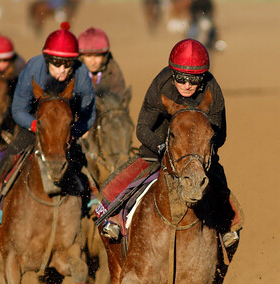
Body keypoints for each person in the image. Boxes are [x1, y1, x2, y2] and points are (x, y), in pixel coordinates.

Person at [95, 38, 241, 248]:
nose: (188, 85)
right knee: (111, 189)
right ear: (173, 75)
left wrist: (200, 151)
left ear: (203, 77)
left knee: (225, 198)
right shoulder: (161, 84)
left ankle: (226, 228)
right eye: (181, 79)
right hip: (157, 148)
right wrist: (161, 147)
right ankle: (116, 220)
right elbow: (142, 128)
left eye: (194, 79)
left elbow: (220, 133)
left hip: (198, 155)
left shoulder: (212, 89)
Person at [0, 22, 95, 215]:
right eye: (57, 63)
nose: (63, 69)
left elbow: (89, 114)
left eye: (68, 64)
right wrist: (35, 125)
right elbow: (18, 109)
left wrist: (72, 132)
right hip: (34, 121)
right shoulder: (33, 67)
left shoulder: (81, 74)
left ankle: (95, 198)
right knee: (16, 148)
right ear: (47, 59)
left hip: (65, 126)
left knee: (84, 158)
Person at [77, 27, 127, 97]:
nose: (93, 62)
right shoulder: (74, 71)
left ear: (104, 57)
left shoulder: (112, 69)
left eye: (97, 56)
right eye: (88, 56)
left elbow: (119, 98)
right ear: (81, 56)